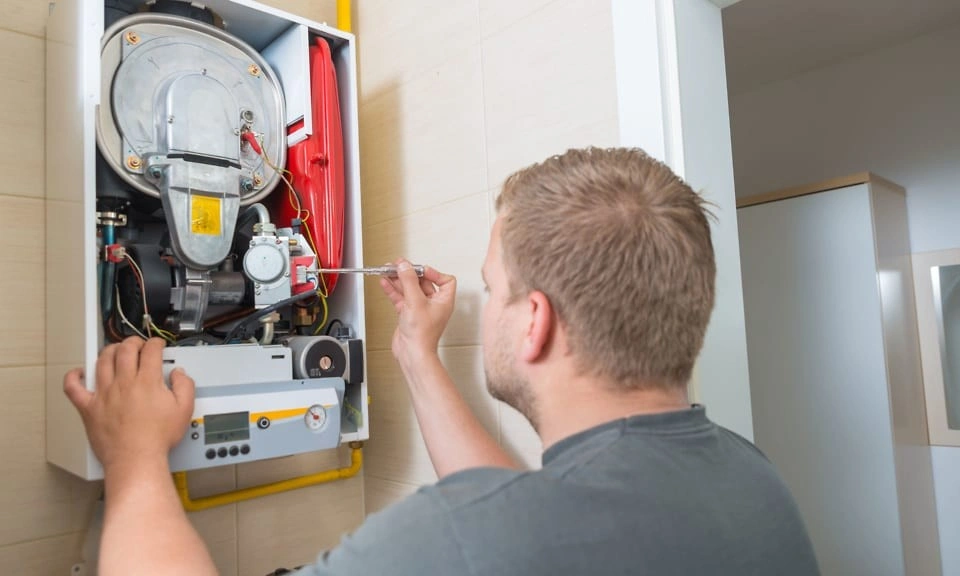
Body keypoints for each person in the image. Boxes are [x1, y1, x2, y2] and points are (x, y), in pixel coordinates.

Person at [64, 147, 820, 575]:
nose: (483, 300)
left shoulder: (459, 542)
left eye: (492, 288)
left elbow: (499, 525)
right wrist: (416, 355)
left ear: (535, 323)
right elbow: (524, 510)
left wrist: (133, 461)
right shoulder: (752, 480)